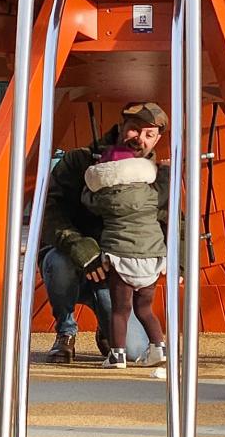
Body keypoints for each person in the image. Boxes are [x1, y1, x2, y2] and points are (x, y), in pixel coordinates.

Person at [83, 102, 169, 369]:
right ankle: (159, 348)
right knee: (145, 309)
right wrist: (165, 173)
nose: (140, 139)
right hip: (152, 257)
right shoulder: (151, 192)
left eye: (149, 134)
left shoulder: (105, 195)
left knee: (121, 310)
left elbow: (88, 200)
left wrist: (92, 185)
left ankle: (116, 355)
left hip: (121, 257)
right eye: (135, 131)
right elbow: (165, 198)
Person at [39, 133, 115, 365]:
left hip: (110, 266)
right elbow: (52, 213)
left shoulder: (146, 171)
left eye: (150, 133)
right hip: (69, 255)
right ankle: (66, 330)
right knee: (60, 264)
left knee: (133, 349)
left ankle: (108, 328)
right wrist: (81, 249)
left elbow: (164, 216)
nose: (140, 138)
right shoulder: (75, 163)